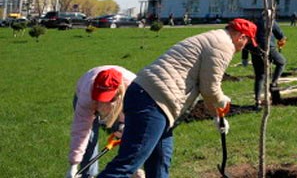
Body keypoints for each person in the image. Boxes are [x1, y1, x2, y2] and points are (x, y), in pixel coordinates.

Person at [97, 18, 258, 178]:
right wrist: (223, 101)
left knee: (160, 162)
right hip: (153, 100)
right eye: (247, 42)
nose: (244, 47)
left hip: (152, 99)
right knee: (127, 165)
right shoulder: (223, 45)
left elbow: (205, 86)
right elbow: (210, 89)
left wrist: (217, 115)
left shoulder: (215, 38)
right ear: (241, 37)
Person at [68, 66, 137, 178]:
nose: (102, 103)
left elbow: (139, 120)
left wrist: (123, 124)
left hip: (125, 96)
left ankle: (132, 170)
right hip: (85, 92)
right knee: (89, 138)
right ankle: (88, 174)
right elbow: (80, 130)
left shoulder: (135, 88)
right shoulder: (87, 95)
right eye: (100, 99)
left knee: (130, 134)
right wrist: (73, 164)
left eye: (106, 99)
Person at [245, 10, 286, 107]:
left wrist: (245, 57)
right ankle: (274, 82)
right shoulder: (272, 23)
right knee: (281, 62)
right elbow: (281, 37)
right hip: (268, 48)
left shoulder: (253, 24)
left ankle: (257, 101)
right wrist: (281, 43)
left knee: (260, 76)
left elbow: (246, 40)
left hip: (254, 50)